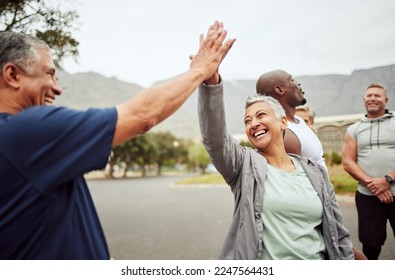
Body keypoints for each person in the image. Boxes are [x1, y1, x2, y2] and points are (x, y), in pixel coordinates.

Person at [0, 21, 236, 259]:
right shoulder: (24, 133)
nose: (57, 88)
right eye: (50, 74)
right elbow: (142, 115)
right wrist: (200, 70)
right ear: (12, 75)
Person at [197, 70, 354, 259]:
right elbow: (215, 140)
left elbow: (337, 231)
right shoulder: (243, 165)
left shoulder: (315, 172)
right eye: (247, 121)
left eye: (261, 115)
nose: (253, 123)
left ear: (283, 122)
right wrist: (211, 84)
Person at [342, 83, 395, 260]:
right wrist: (375, 186)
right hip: (368, 196)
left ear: (386, 100)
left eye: (377, 96)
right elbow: (348, 162)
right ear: (364, 100)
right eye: (369, 95)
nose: (372, 98)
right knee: (371, 246)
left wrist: (388, 180)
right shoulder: (354, 129)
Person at [256, 70, 326, 169]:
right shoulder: (285, 133)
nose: (298, 83)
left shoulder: (298, 120)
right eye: (292, 80)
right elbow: (296, 178)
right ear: (279, 90)